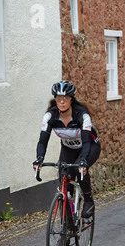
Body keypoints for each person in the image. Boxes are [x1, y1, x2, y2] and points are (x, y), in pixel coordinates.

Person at [33, 80, 101, 218]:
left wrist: (83, 160)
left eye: (65, 98)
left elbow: (87, 141)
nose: (62, 102)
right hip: (68, 149)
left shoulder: (82, 115)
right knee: (65, 186)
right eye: (59, 98)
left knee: (79, 168)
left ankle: (88, 200)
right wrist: (39, 159)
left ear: (71, 99)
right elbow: (42, 141)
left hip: (89, 146)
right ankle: (67, 228)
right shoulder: (50, 116)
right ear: (55, 100)